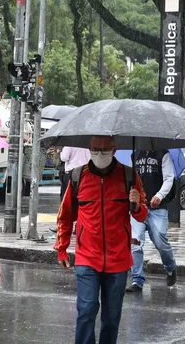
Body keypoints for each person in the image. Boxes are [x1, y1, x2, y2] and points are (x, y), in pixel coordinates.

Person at [54, 136, 148, 344]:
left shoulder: (129, 176)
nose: (100, 154)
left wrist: (137, 204)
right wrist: (61, 248)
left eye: (105, 150)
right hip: (87, 256)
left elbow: (142, 216)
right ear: (89, 149)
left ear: (114, 150)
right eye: (95, 149)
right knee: (86, 310)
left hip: (118, 259)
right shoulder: (78, 176)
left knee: (112, 318)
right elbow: (65, 215)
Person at [126, 150, 177, 293]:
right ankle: (137, 279)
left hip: (157, 208)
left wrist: (159, 195)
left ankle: (170, 267)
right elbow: (130, 180)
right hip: (138, 208)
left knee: (160, 240)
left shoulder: (163, 154)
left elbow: (168, 178)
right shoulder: (134, 155)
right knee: (135, 242)